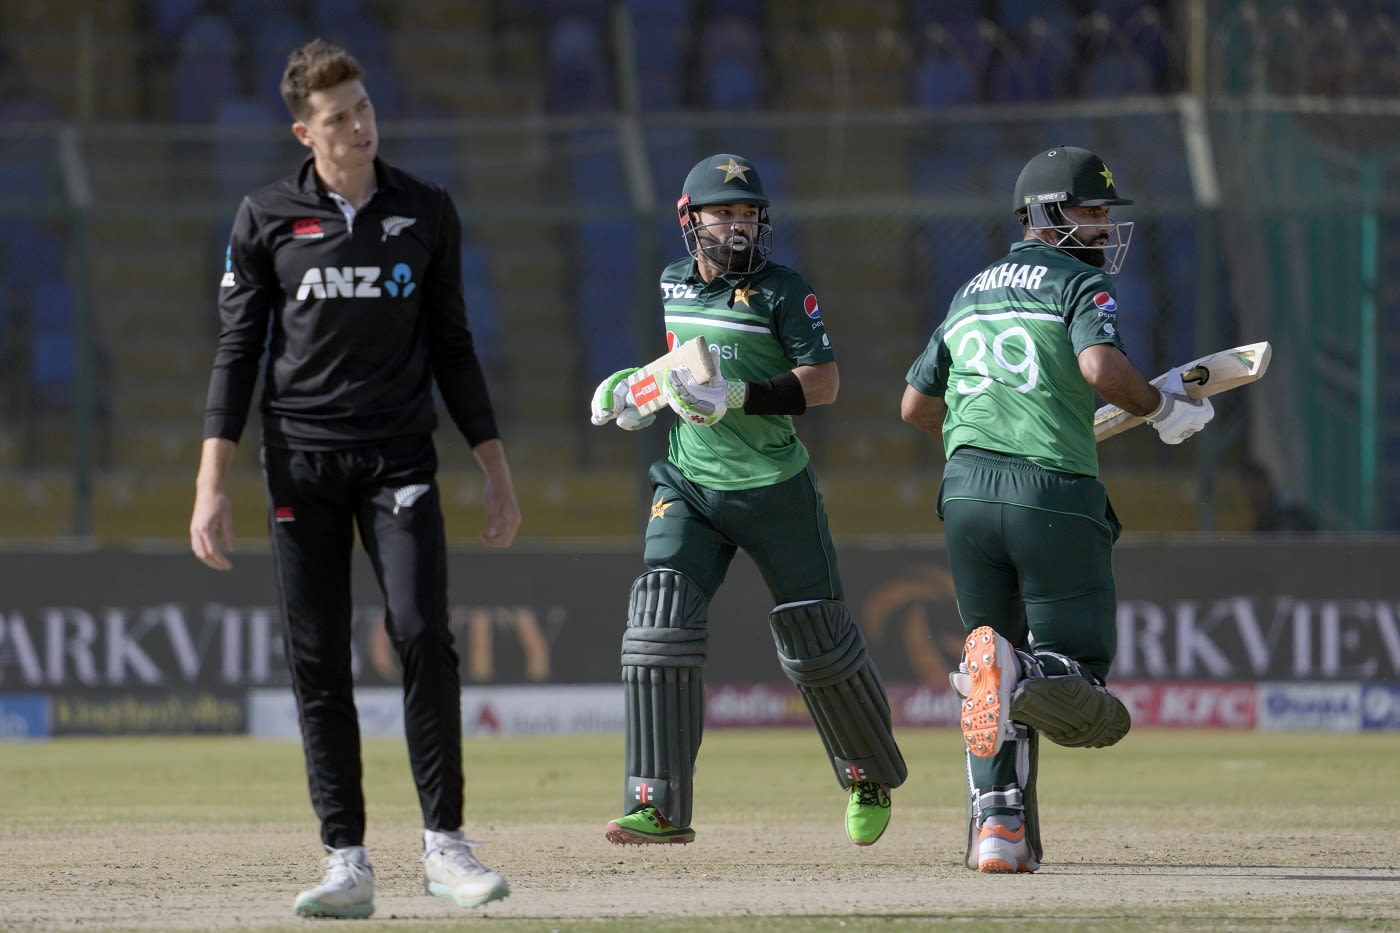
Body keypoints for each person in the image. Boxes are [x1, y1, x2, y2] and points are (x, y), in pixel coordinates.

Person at [188, 39, 521, 919]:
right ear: (306, 130)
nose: (360, 125)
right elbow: (235, 354)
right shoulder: (264, 217)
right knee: (318, 659)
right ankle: (346, 859)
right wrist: (209, 483)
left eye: (365, 107)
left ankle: (446, 845)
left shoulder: (426, 209)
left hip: (401, 459)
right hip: (300, 460)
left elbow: (454, 345)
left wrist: (494, 468)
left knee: (421, 632)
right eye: (339, 117)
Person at [900, 146, 1215, 874]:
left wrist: (986, 427)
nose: (1104, 228)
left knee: (990, 660)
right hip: (1052, 494)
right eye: (1092, 212)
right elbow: (1101, 369)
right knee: (1082, 683)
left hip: (966, 492)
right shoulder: (1079, 285)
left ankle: (998, 829)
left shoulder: (969, 290)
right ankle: (1021, 673)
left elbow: (916, 406)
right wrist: (1163, 407)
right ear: (1046, 216)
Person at [589, 153, 907, 848]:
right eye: (723, 213)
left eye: (748, 214)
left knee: (816, 641)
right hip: (691, 482)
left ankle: (867, 775)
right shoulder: (673, 281)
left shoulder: (784, 290)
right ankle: (658, 804)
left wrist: (736, 396)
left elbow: (822, 384)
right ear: (690, 219)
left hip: (773, 487)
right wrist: (637, 391)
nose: (737, 226)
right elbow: (685, 366)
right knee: (657, 621)